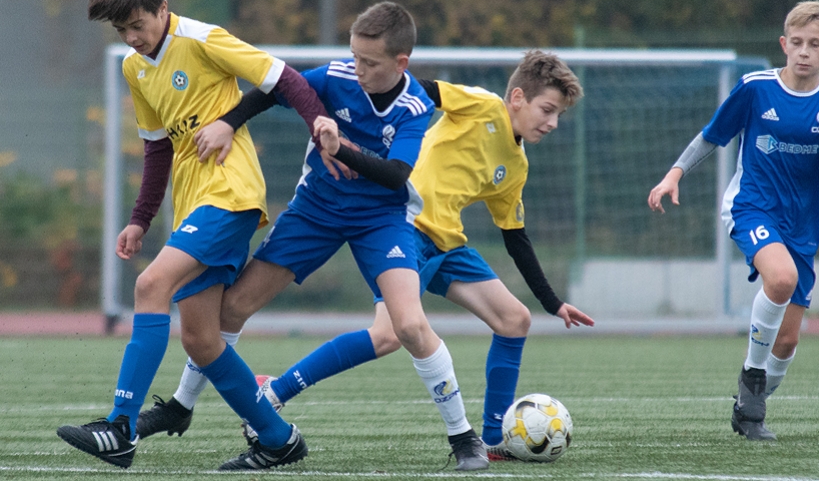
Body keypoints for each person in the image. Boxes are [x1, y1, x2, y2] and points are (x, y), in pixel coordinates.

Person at [138, 50, 595, 464]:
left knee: (515, 320)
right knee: (389, 335)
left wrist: (553, 302)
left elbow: (515, 236)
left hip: (447, 243)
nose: (551, 123)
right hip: (405, 229)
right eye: (547, 110)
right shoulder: (479, 104)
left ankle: (495, 438)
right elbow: (416, 91)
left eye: (558, 115)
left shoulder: (516, 166)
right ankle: (274, 392)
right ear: (517, 97)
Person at [135, 0, 489, 470]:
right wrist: (227, 122)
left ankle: (465, 439)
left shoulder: (415, 106)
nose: (357, 69)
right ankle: (181, 406)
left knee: (408, 325)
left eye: (370, 62)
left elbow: (397, 175)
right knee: (233, 307)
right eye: (354, 56)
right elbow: (274, 89)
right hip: (315, 213)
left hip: (381, 220)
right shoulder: (338, 76)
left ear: (401, 63)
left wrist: (341, 146)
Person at [56, 0, 327, 470]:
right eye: (121, 29)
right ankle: (278, 439)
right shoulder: (133, 68)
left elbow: (283, 79)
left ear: (163, 8)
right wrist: (139, 218)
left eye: (138, 24)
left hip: (231, 194)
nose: (131, 37)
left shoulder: (204, 39)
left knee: (148, 287)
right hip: (194, 205)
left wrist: (320, 125)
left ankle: (120, 427)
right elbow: (158, 149)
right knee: (201, 338)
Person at [648, 0, 819, 441]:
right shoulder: (755, 88)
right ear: (783, 44)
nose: (804, 51)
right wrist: (674, 174)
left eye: (815, 44)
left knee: (787, 344)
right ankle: (751, 379)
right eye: (797, 42)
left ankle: (748, 411)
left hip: (804, 228)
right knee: (782, 277)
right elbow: (711, 136)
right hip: (752, 207)